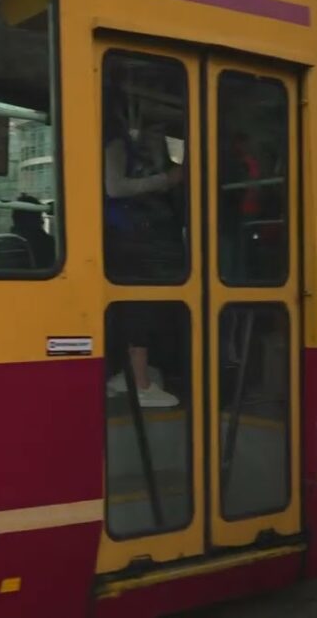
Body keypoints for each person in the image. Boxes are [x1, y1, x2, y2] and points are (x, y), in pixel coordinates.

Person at [102, 71, 183, 408]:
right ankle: (140, 382)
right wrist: (165, 179)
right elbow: (115, 187)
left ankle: (130, 375)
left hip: (134, 235)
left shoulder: (130, 145)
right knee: (142, 307)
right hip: (132, 237)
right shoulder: (117, 144)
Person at [10, 194, 56, 269]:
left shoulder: (0, 245)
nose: (42, 221)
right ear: (34, 219)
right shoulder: (46, 243)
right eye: (39, 216)